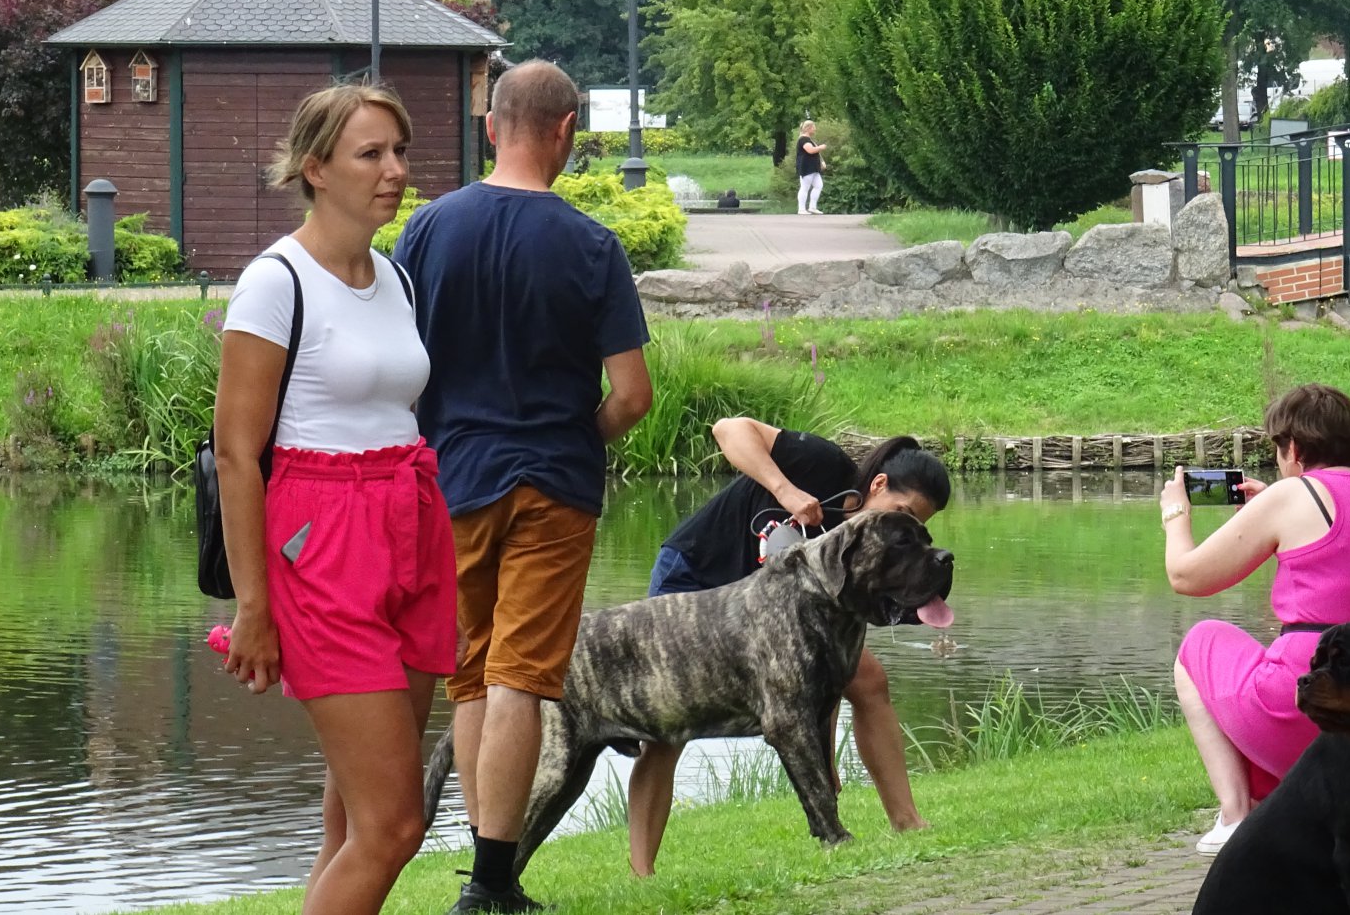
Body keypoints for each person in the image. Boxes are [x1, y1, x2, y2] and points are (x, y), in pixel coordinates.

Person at [393, 59, 653, 915]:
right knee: (522, 678)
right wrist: (578, 436)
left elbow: (398, 366)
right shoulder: (593, 245)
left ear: (491, 126)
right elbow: (632, 396)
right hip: (553, 485)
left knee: (472, 673)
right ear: (567, 129)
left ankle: (483, 867)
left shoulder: (427, 230)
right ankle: (493, 882)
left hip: (450, 479)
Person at [214, 82, 455, 915]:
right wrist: (255, 605)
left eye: (400, 151)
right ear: (315, 168)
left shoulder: (396, 279)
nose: (395, 171)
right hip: (322, 541)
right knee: (394, 826)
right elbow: (236, 454)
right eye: (370, 154)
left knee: (355, 820)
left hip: (409, 522)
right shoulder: (275, 282)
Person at [626, 420, 952, 877]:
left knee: (867, 681)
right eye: (903, 512)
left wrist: (824, 761)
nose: (905, 529)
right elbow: (728, 429)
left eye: (917, 526)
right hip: (698, 576)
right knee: (665, 733)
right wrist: (786, 490)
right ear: (878, 485)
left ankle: (907, 822)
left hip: (767, 617)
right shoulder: (821, 464)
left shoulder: (866, 554)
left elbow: (821, 674)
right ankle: (643, 873)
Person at [1162, 383, 1350, 856]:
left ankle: (1236, 816)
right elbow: (1348, 573)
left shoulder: (1292, 496)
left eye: (1278, 449)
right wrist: (1273, 509)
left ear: (1295, 449)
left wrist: (1175, 514)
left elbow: (1186, 576)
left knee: (1200, 642)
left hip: (1308, 704)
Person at [795, 120, 827, 215]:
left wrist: (821, 161)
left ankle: (812, 207)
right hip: (807, 167)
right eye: (813, 127)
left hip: (814, 168)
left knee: (818, 185)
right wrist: (821, 147)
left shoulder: (809, 140)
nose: (815, 129)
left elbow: (816, 153)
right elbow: (811, 150)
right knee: (805, 187)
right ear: (808, 128)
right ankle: (801, 209)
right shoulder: (803, 139)